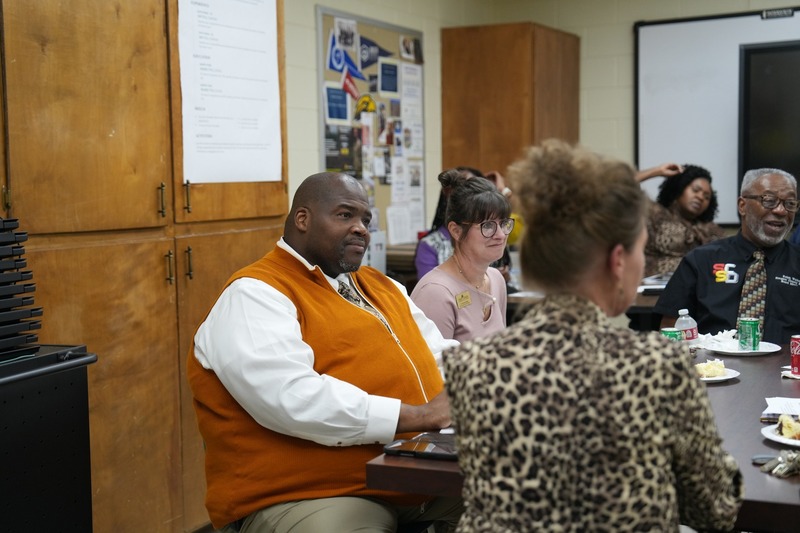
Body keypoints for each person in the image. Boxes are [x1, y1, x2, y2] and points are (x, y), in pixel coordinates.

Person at [442, 139, 743, 532]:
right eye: (639, 249)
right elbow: (714, 510)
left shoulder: (470, 366)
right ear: (618, 261)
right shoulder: (658, 365)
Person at [187, 172, 463, 532]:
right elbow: (293, 398)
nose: (361, 228)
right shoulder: (256, 293)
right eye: (345, 215)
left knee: (532, 496)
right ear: (303, 219)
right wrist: (416, 416)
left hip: (412, 473)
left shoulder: (384, 287)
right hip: (310, 491)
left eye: (366, 219)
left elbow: (441, 355)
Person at [655, 167, 800, 344]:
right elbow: (670, 329)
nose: (781, 210)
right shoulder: (701, 260)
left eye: (790, 203)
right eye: (769, 200)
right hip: (713, 367)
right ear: (742, 205)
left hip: (784, 369)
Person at [410, 169, 512, 341]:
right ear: (456, 231)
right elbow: (432, 367)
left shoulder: (496, 279)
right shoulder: (435, 293)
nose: (501, 234)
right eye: (487, 226)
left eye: (503, 223)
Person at [636, 162, 725, 277]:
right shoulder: (654, 213)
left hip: (696, 291)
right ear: (679, 188)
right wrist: (656, 171)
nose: (700, 197)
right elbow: (615, 187)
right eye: (695, 190)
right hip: (652, 289)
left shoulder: (710, 229)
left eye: (706, 197)